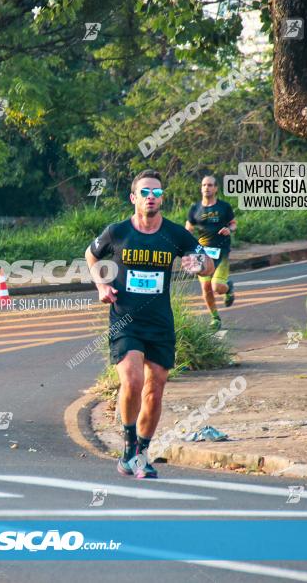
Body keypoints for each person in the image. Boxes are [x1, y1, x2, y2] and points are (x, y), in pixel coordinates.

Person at [85, 169, 213, 479]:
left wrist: (195, 264)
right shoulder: (117, 232)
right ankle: (128, 446)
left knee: (155, 389)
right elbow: (91, 255)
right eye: (145, 192)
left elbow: (208, 265)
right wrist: (102, 285)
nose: (151, 197)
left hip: (160, 323)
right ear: (133, 198)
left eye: (156, 192)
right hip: (125, 320)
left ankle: (142, 451)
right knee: (132, 381)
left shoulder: (174, 234)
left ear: (162, 199)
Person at [185, 175, 237, 330]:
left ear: (215, 188)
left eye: (210, 185)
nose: (206, 188)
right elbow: (189, 227)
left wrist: (229, 229)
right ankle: (215, 318)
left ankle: (228, 288)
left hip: (221, 252)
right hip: (202, 253)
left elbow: (233, 224)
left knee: (217, 287)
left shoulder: (224, 207)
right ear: (201, 188)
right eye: (204, 185)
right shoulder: (195, 209)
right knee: (206, 287)